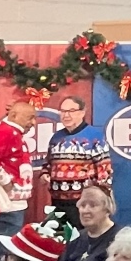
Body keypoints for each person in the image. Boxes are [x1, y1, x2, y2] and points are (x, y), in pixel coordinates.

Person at [0, 100, 37, 251]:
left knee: (8, 251)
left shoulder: (13, 132)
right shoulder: (7, 132)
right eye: (30, 117)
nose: (34, 122)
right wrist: (5, 180)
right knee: (6, 253)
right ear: (14, 116)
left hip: (12, 204)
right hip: (7, 205)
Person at [44, 95, 112, 229]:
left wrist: (100, 198)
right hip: (58, 201)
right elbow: (48, 163)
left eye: (71, 111)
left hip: (83, 202)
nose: (66, 115)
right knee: (60, 240)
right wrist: (44, 174)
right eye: (63, 111)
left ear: (82, 112)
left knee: (83, 240)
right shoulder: (56, 137)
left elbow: (105, 171)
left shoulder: (95, 136)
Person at [61, 183, 123, 261]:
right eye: (82, 205)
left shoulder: (119, 240)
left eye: (93, 205)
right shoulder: (76, 237)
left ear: (107, 209)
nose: (86, 211)